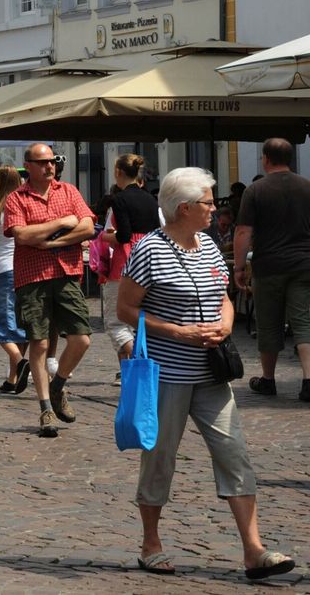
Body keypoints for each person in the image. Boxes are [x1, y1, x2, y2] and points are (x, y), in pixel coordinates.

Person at [116, 167, 297, 581]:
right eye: (207, 202)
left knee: (234, 454)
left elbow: (222, 297)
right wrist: (177, 330)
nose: (215, 209)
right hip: (167, 373)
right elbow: (126, 309)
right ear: (184, 208)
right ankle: (150, 544)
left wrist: (227, 323)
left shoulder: (210, 246)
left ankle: (253, 550)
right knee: (160, 458)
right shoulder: (149, 250)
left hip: (211, 372)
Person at [3, 142, 96, 438]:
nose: (50, 166)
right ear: (28, 166)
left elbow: (87, 229)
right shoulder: (17, 198)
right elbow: (21, 234)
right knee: (40, 345)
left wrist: (52, 241)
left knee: (81, 339)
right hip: (32, 277)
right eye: (43, 162)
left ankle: (58, 386)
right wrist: (62, 223)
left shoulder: (68, 191)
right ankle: (45, 408)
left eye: (53, 161)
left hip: (66, 273)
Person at [233, 137, 310, 401]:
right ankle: (309, 380)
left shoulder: (255, 190)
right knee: (304, 322)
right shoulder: (307, 186)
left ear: (265, 158)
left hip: (269, 266)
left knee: (268, 324)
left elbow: (243, 231)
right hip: (304, 265)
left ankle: (268, 379)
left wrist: (240, 267)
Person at [98, 153, 161, 366]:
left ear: (118, 172)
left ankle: (141, 359)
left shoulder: (120, 199)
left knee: (116, 322)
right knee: (141, 318)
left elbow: (123, 235)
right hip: (151, 259)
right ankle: (143, 361)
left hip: (126, 260)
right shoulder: (151, 199)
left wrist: (105, 236)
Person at [0, 165, 30, 395]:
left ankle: (19, 360)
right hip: (24, 269)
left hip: (3, 268)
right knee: (20, 323)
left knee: (0, 323)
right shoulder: (25, 209)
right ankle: (13, 378)